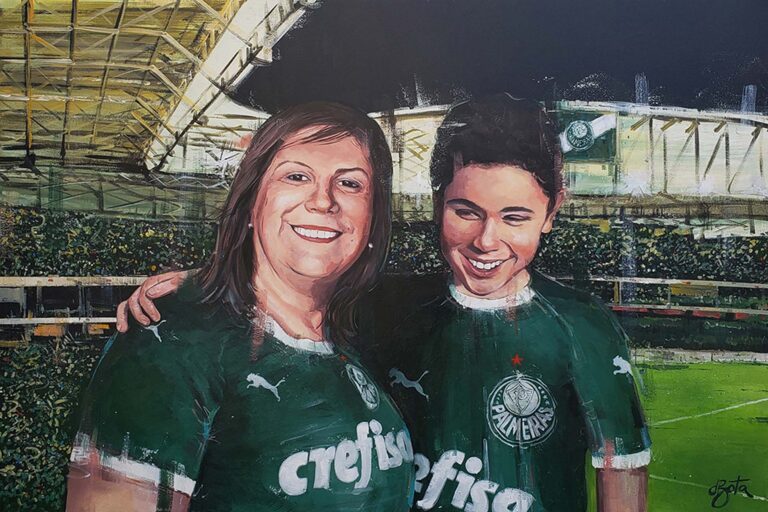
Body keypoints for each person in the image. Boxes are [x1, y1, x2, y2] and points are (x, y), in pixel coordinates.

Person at [117, 95, 651, 512]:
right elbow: (287, 286)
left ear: (552, 212)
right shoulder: (383, 304)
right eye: (465, 211)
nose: (487, 241)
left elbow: (622, 476)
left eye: (515, 217)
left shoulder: (585, 328)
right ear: (437, 202)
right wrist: (199, 285)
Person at [67, 102, 415, 512]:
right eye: (296, 176)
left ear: (374, 216)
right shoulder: (170, 338)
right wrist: (197, 288)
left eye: (350, 184)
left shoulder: (366, 328)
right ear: (252, 200)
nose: (323, 201)